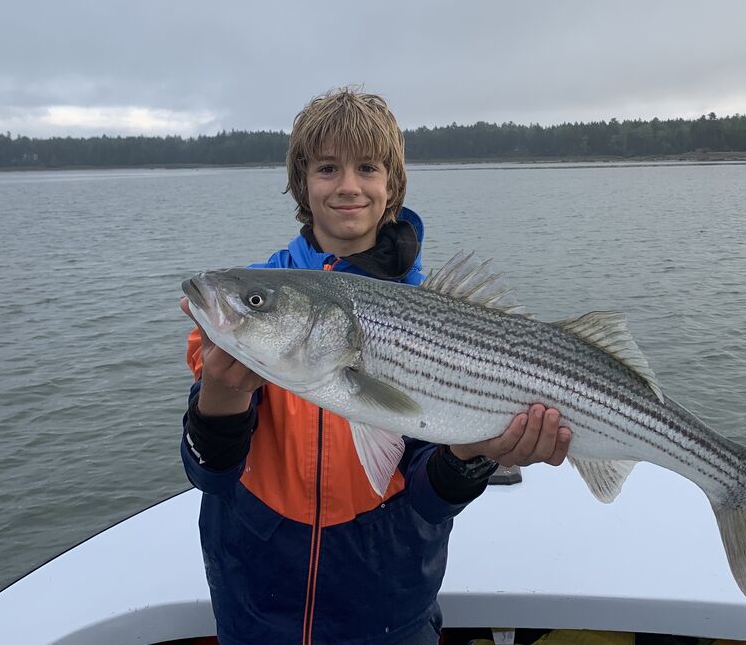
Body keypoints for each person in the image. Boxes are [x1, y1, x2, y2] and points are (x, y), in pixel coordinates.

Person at [180, 87, 572, 645]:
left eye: (367, 167)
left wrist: (475, 452)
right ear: (301, 183)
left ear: (392, 186)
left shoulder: (437, 312)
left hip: (389, 610)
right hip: (255, 607)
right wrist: (221, 393)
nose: (347, 185)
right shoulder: (258, 297)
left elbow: (428, 499)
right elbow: (209, 474)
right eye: (326, 168)